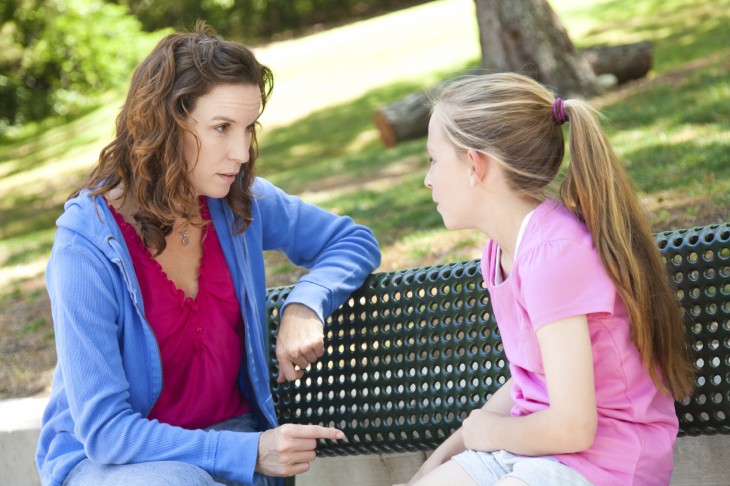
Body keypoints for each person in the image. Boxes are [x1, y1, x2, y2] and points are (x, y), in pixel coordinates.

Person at [36, 21, 381, 486]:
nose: (241, 151)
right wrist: (247, 451)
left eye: (248, 128)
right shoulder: (87, 249)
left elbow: (352, 240)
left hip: (231, 444)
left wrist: (307, 301)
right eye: (221, 128)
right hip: (113, 466)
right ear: (164, 126)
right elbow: (106, 433)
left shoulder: (235, 201)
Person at [401, 73, 696, 486]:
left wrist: (491, 433)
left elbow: (574, 427)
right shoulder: (502, 250)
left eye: (434, 160)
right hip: (533, 450)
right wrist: (437, 461)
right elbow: (530, 378)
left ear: (475, 164)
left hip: (607, 462)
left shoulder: (553, 254)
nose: (428, 179)